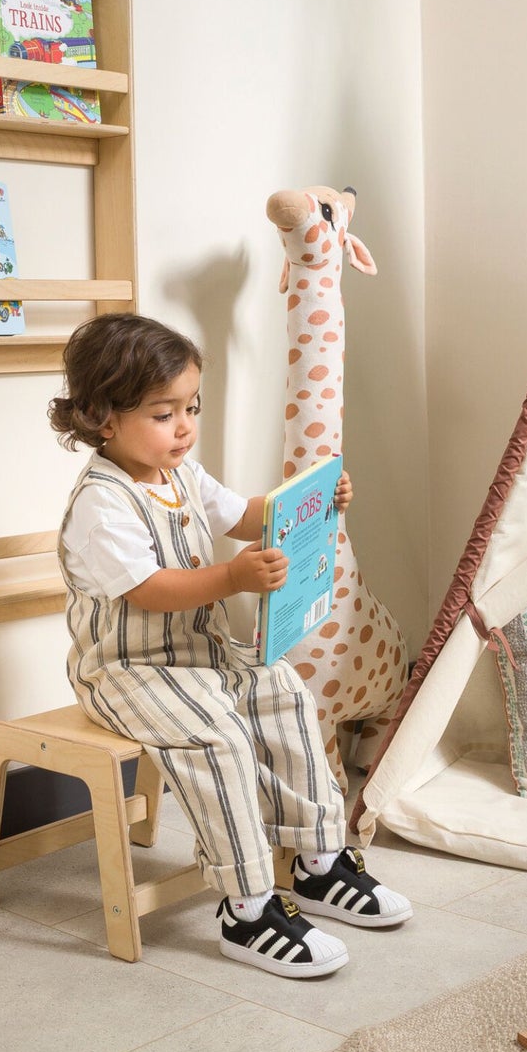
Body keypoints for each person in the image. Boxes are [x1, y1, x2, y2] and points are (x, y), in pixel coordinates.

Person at [49, 313, 411, 977]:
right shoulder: (101, 505)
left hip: (200, 653)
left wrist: (314, 501)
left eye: (188, 406)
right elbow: (151, 590)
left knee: (282, 692)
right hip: (127, 670)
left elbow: (243, 515)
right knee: (215, 736)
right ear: (102, 416)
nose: (184, 425)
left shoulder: (180, 475)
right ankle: (246, 906)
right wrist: (231, 575)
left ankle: (317, 861)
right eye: (163, 413)